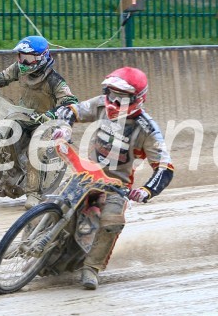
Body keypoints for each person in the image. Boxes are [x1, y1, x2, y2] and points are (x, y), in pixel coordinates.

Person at [54, 67, 174, 289]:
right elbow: (71, 110)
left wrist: (146, 191)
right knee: (54, 202)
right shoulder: (101, 103)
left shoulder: (147, 129)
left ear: (138, 99)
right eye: (111, 93)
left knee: (112, 223)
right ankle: (31, 239)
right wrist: (64, 129)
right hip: (85, 173)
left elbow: (165, 167)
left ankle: (91, 268)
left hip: (116, 186)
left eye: (121, 97)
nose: (113, 101)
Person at [0, 35, 79, 209]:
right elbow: (5, 76)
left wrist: (51, 114)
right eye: (21, 57)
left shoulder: (55, 80)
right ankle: (6, 178)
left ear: (43, 57)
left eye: (29, 58)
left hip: (43, 122)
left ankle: (34, 193)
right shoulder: (19, 69)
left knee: (34, 152)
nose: (24, 62)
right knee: (2, 138)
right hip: (22, 117)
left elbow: (70, 101)